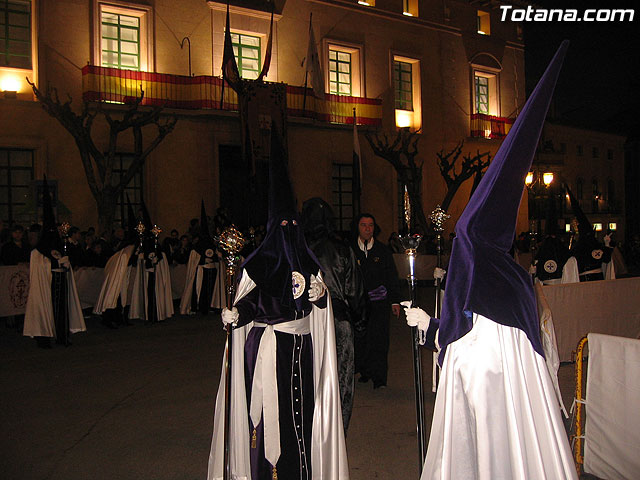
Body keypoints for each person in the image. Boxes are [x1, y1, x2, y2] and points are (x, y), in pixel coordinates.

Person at [402, 42, 576, 479]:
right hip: (515, 404)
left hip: (483, 398)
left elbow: (465, 354)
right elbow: (480, 334)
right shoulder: (515, 278)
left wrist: (431, 332)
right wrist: (430, 326)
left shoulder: (474, 265)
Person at [207, 126, 348, 480]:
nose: (287, 229)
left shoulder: (307, 259)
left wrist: (320, 297)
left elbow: (321, 302)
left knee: (299, 415)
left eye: (292, 223)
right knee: (269, 416)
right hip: (266, 351)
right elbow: (251, 301)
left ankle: (299, 471)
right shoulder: (257, 263)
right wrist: (236, 313)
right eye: (281, 224)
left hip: (299, 349)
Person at [301, 197, 366, 433]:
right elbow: (355, 292)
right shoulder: (342, 249)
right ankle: (336, 435)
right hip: (338, 322)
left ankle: (310, 433)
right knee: (341, 383)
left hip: (304, 322)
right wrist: (358, 323)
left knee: (309, 378)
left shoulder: (298, 250)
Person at [23, 177, 86, 348]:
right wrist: (55, 263)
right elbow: (41, 269)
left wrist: (65, 262)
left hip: (59, 284)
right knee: (44, 309)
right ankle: (43, 336)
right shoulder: (37, 252)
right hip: (46, 287)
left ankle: (62, 335)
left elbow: (64, 261)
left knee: (60, 311)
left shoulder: (59, 246)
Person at [352, 213, 400, 389]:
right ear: (357, 227)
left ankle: (379, 377)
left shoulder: (382, 250)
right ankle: (365, 371)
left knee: (379, 339)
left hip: (379, 302)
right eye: (363, 225)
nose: (367, 228)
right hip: (358, 304)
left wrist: (394, 301)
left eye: (370, 225)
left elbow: (391, 277)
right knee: (361, 339)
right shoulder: (350, 250)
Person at [179, 201, 220, 315]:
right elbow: (194, 258)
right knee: (201, 289)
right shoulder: (197, 246)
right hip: (202, 270)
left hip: (211, 270)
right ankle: (201, 306)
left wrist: (214, 259)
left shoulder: (212, 243)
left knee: (210, 289)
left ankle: (209, 305)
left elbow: (216, 255)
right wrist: (203, 261)